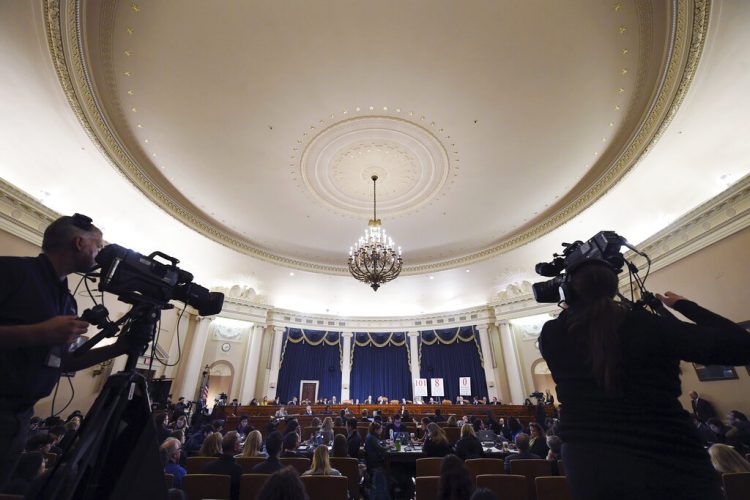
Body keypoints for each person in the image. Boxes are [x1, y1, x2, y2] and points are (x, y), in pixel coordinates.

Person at [538, 259, 750, 500]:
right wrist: (682, 306)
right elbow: (742, 346)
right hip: (670, 459)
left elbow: (587, 328)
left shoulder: (552, 334)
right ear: (613, 289)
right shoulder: (649, 326)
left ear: (567, 291)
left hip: (590, 466)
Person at [0, 214, 134, 487]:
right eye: (97, 247)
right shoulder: (11, 272)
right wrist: (40, 332)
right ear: (78, 242)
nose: (99, 255)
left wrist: (118, 348)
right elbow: (43, 336)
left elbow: (66, 362)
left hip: (19, 418)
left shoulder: (67, 300)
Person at [201, 431, 243, 500]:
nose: (241, 444)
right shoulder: (238, 470)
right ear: (235, 447)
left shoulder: (206, 467)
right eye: (240, 442)